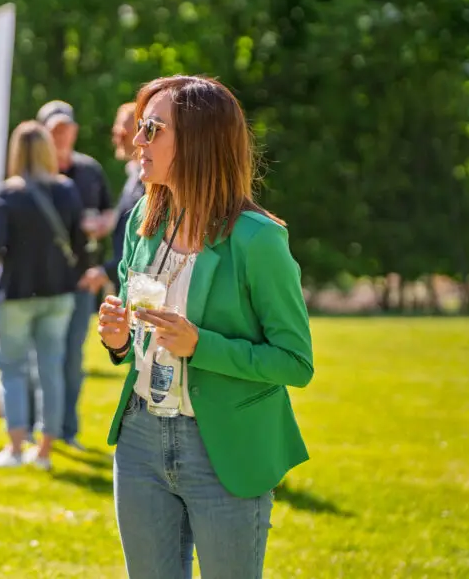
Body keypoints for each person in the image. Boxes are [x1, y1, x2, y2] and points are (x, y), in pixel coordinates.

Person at [97, 76, 313, 579]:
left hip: (223, 448)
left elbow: (295, 362)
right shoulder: (143, 219)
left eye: (152, 128)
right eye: (140, 127)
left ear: (198, 139)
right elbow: (136, 332)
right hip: (140, 438)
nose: (137, 140)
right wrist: (119, 340)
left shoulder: (257, 240)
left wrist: (201, 346)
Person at [0, 121, 85, 471]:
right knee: (50, 368)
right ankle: (44, 451)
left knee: (12, 368)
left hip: (17, 292)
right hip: (59, 291)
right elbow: (80, 242)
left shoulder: (8, 194)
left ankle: (14, 447)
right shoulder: (67, 190)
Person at [36, 99, 113, 449]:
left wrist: (102, 225)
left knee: (72, 358)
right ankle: (39, 427)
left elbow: (112, 211)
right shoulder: (34, 174)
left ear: (75, 132)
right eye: (54, 130)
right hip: (43, 282)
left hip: (82, 278)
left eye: (66, 129)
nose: (61, 136)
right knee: (40, 357)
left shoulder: (90, 170)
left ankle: (67, 430)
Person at [78, 102, 146, 295]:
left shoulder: (148, 182)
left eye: (124, 130)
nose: (117, 137)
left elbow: (142, 240)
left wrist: (106, 271)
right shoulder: (133, 176)